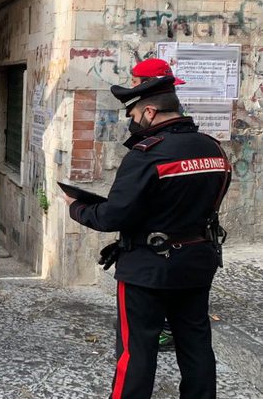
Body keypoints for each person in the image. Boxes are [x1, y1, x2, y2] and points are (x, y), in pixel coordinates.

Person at [63, 76, 231, 399]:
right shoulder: (214, 150)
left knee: (136, 354)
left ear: (150, 112)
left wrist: (77, 208)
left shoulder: (146, 155)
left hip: (146, 270)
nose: (133, 122)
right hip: (197, 264)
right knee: (196, 348)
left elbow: (114, 215)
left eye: (134, 115)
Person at [131, 57, 185, 348]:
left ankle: (162, 327)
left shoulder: (150, 150)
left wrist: (81, 208)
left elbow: (117, 212)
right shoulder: (205, 144)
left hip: (158, 246)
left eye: (135, 81)